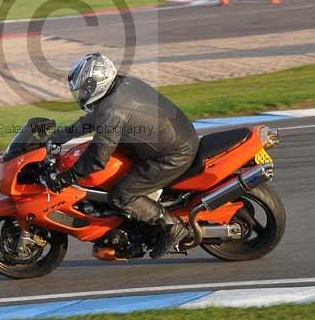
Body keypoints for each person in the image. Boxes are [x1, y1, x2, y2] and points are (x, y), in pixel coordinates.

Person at [43, 53, 199, 259]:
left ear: (98, 84)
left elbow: (98, 157)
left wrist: (68, 178)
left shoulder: (114, 110)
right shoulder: (119, 87)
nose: (81, 95)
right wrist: (59, 136)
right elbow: (93, 120)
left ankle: (171, 226)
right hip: (173, 139)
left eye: (84, 90)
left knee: (121, 194)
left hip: (171, 155)